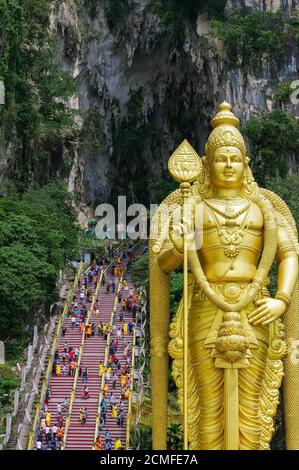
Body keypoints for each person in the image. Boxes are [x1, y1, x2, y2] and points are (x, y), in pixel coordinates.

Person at [150, 102, 299, 451]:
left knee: (253, 402)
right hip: (205, 308)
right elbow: (165, 263)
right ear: (207, 164)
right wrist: (178, 246)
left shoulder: (266, 208)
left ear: (245, 163)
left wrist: (282, 299)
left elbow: (289, 254)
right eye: (221, 158)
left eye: (234, 158)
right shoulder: (191, 207)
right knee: (207, 404)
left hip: (256, 309)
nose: (228, 165)